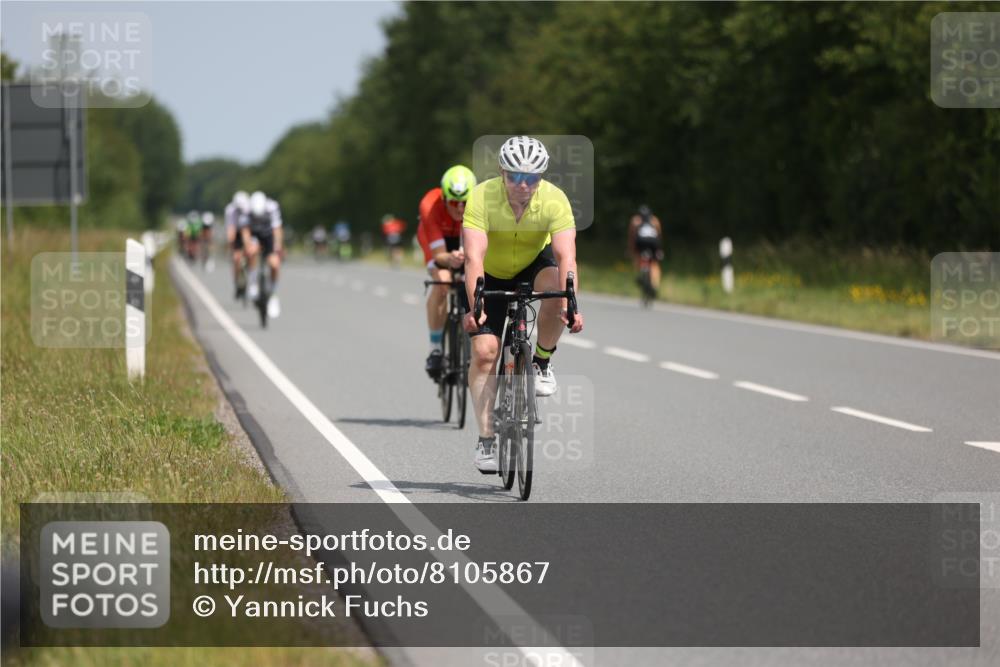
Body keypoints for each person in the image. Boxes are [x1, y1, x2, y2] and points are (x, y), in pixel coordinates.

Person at [462, 136, 584, 473]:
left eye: (531, 178)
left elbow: (566, 255)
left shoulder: (555, 200)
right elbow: (473, 257)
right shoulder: (482, 197)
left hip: (533, 265)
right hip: (490, 273)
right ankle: (486, 440)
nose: (522, 184)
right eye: (514, 175)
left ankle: (542, 361)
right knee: (486, 351)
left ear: (541, 177)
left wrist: (571, 303)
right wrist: (477, 307)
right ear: (502, 171)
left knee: (558, 286)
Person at [417, 165, 477, 379]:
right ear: (444, 198)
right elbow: (439, 254)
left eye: (465, 202)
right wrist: (450, 260)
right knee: (442, 282)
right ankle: (435, 348)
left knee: (474, 279)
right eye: (453, 202)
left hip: (463, 236)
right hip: (436, 240)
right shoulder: (429, 205)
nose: (460, 209)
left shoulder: (481, 204)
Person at [240, 191, 284, 319]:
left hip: (268, 235)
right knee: (251, 253)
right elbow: (245, 231)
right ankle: (253, 283)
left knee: (275, 264)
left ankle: (273, 294)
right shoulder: (246, 209)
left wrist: (277, 246)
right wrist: (248, 245)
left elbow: (277, 229)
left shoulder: (272, 207)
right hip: (254, 235)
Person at [627, 204, 664, 296]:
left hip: (640, 242)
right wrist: (659, 250)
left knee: (637, 256)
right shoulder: (655, 220)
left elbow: (632, 237)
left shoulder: (635, 220)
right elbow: (659, 236)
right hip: (653, 242)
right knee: (654, 264)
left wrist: (631, 250)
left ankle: (640, 274)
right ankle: (655, 286)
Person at [225, 191, 250, 298]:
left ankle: (251, 278)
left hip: (248, 230)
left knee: (251, 252)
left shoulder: (250, 208)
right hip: (236, 232)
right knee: (236, 258)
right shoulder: (230, 210)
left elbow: (250, 230)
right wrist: (231, 244)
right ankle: (236, 282)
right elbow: (231, 229)